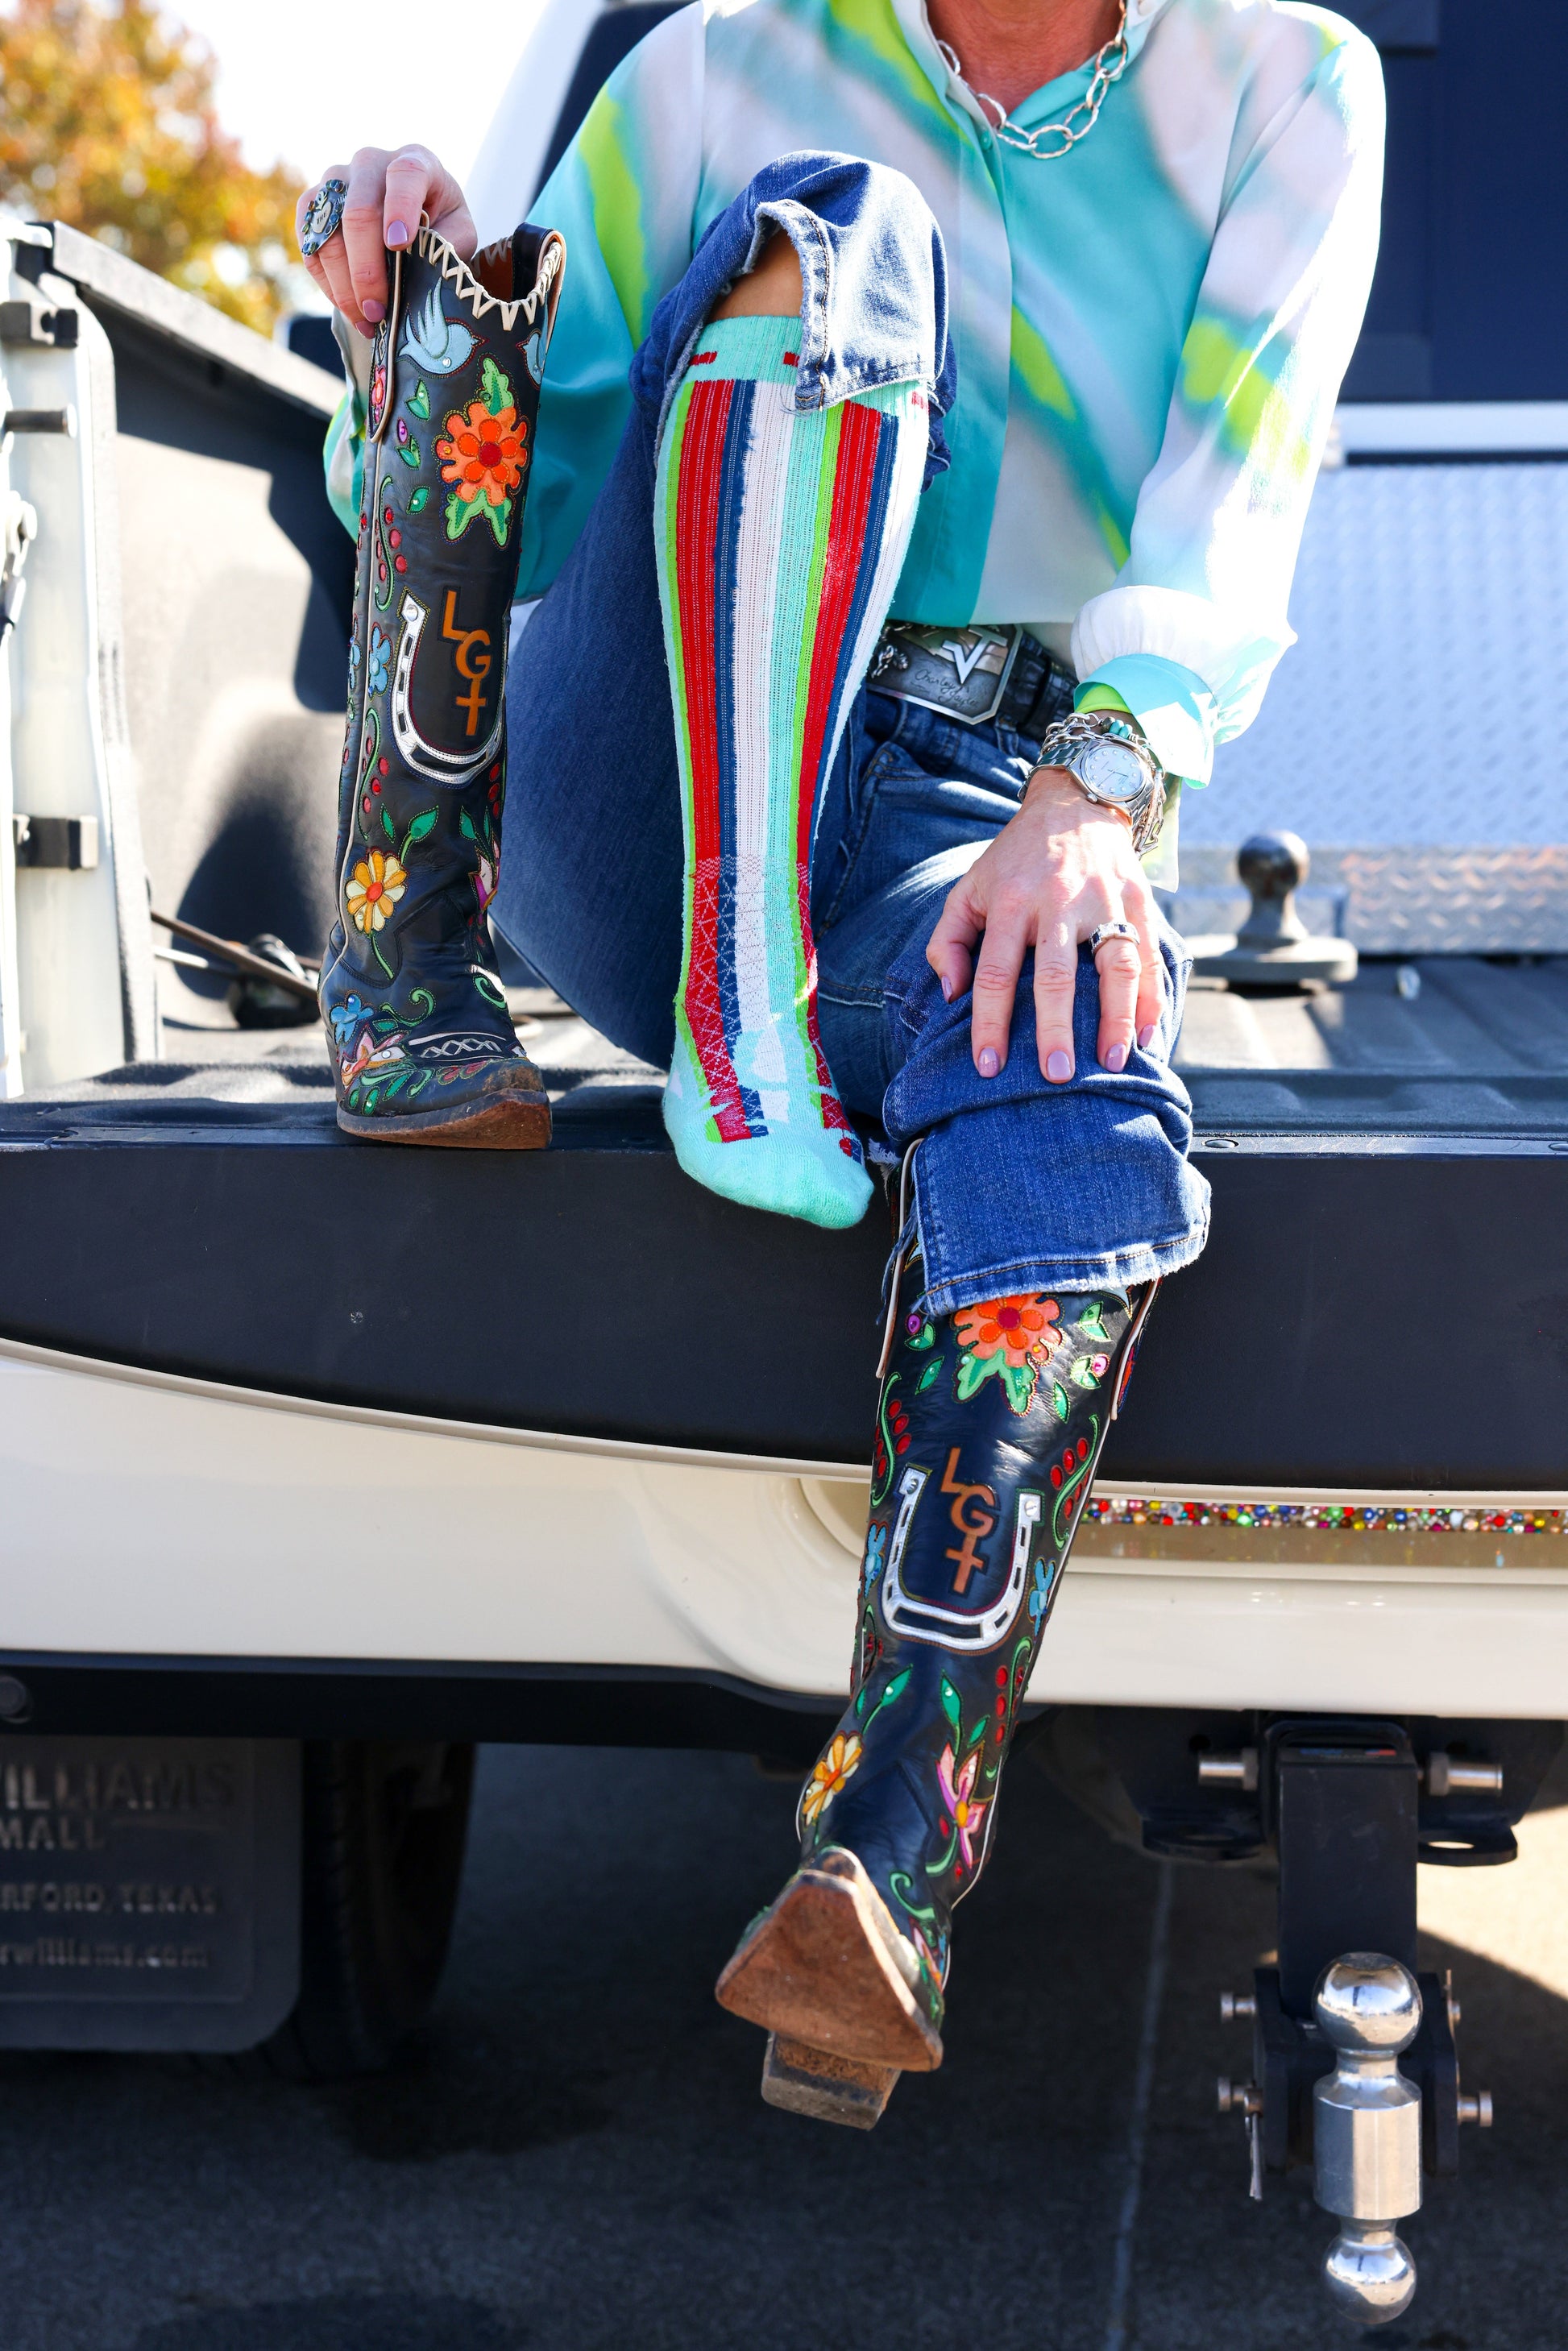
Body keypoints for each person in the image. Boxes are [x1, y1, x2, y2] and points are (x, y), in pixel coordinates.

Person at [299, 0, 1383, 2124]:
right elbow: (511, 462)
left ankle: (882, 1861)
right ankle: (630, 991)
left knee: (1074, 1049)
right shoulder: (716, 65)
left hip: (976, 794)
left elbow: (1226, 507)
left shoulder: (1284, 83)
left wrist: (1094, 796)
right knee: (846, 229)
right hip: (653, 767)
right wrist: (404, 298)